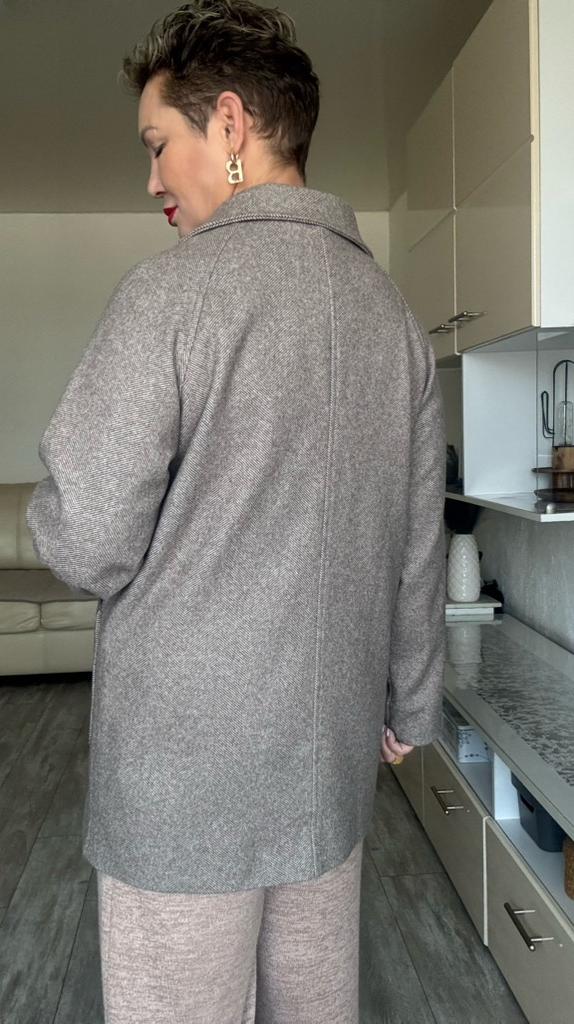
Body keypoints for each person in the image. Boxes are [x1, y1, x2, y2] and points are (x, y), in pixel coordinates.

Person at [26, 1, 446, 1021]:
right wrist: (411, 700)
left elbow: (85, 540)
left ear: (228, 122)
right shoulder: (394, 320)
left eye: (156, 144)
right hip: (326, 767)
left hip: (185, 784)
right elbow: (416, 540)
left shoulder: (170, 298)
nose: (151, 179)